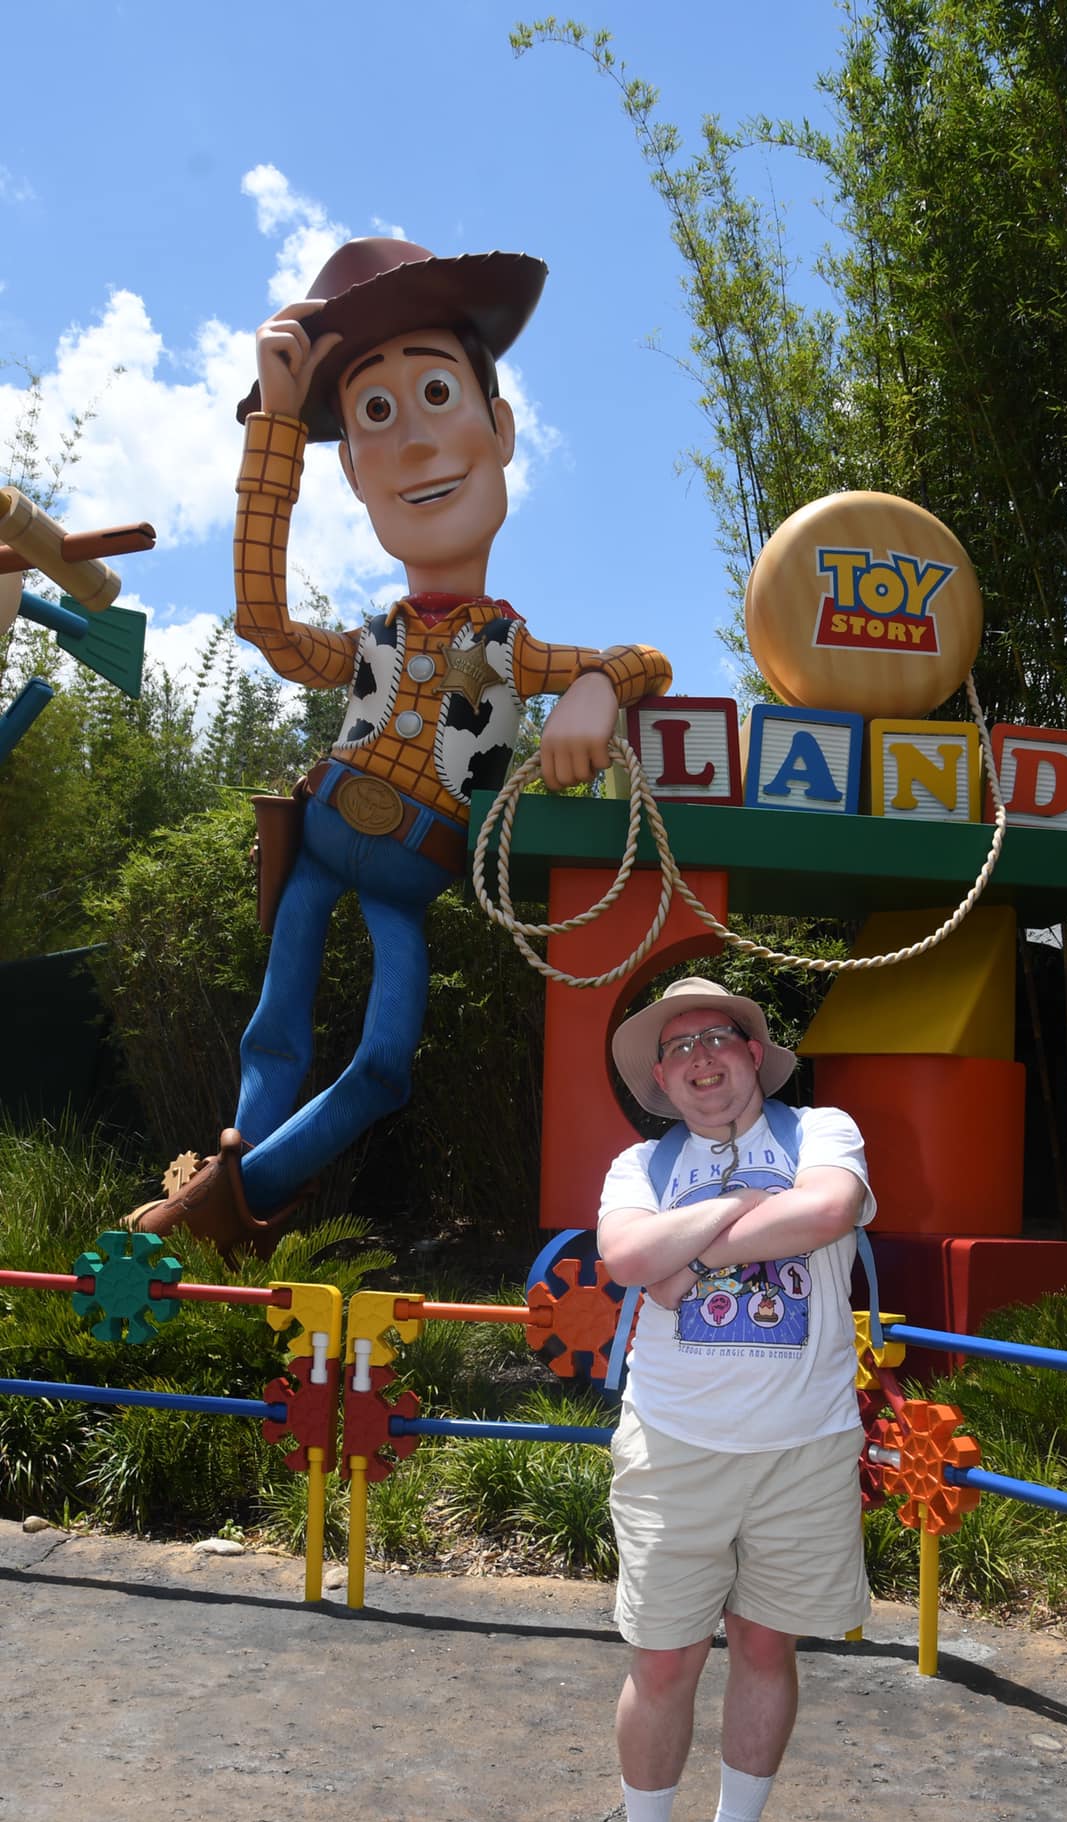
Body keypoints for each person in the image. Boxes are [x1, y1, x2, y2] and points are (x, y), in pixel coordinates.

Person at [129, 239, 670, 1259]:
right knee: (274, 1023)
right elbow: (266, 624)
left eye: (435, 393)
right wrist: (275, 425)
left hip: (414, 868)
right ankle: (230, 1179)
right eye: (376, 412)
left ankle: (234, 1197)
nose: (415, 442)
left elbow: (645, 658)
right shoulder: (368, 638)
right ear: (352, 469)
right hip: (326, 835)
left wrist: (597, 686)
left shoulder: (512, 650)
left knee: (384, 1062)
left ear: (499, 429)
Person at [593, 974, 875, 1822]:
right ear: (660, 1079)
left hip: (803, 1444)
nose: (699, 1058)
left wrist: (694, 1252)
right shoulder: (637, 1165)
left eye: (716, 1037)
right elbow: (626, 1261)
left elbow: (826, 1210)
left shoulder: (821, 1132)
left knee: (765, 1646)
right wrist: (752, 1209)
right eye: (677, 1048)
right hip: (674, 1445)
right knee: (663, 1656)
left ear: (753, 1053)